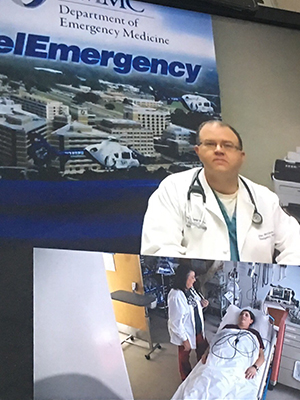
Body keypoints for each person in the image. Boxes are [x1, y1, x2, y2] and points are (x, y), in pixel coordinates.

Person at [141, 120, 300, 264]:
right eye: (210, 144)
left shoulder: (264, 198)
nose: (219, 150)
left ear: (241, 156)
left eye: (228, 145)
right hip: (199, 285)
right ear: (198, 151)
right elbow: (160, 249)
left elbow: (295, 243)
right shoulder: (173, 189)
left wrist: (285, 273)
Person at [168, 264, 209, 381]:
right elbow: (175, 322)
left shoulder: (190, 289)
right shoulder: (176, 296)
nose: (194, 280)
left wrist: (201, 303)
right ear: (183, 278)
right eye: (192, 277)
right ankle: (185, 380)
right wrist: (184, 340)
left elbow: (193, 306)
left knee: (203, 351)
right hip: (185, 333)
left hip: (197, 329)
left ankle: (202, 374)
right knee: (184, 359)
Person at [201, 309, 265, 380]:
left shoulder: (254, 333)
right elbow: (215, 342)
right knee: (209, 370)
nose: (243, 316)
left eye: (246, 315)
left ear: (251, 321)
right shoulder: (228, 327)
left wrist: (255, 367)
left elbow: (261, 355)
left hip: (239, 358)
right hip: (221, 353)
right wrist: (206, 353)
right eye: (241, 314)